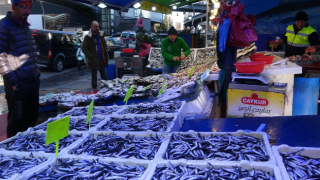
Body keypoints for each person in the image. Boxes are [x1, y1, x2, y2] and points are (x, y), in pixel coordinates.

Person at [0, 0, 40, 138]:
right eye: (24, 7)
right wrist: (13, 82)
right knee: (17, 121)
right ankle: (11, 152)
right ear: (14, 7)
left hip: (32, 81)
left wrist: (37, 75)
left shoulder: (25, 26)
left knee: (31, 118)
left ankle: (27, 150)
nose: (27, 11)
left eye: (29, 7)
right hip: (18, 85)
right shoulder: (4, 26)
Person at [82, 21, 109, 91]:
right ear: (91, 27)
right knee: (94, 77)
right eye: (96, 27)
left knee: (104, 77)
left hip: (102, 59)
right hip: (93, 60)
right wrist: (92, 57)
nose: (97, 28)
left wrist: (106, 54)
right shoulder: (88, 37)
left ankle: (105, 90)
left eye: (98, 26)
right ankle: (94, 91)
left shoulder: (101, 35)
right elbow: (84, 49)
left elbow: (104, 46)